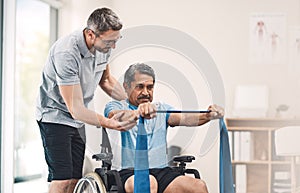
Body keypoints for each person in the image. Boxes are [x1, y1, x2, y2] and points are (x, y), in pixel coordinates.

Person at [36, 8, 137, 193]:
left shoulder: (103, 47)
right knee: (62, 179)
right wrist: (110, 123)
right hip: (55, 116)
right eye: (109, 41)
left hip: (78, 119)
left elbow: (105, 80)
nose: (113, 46)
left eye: (116, 40)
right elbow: (75, 107)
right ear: (90, 34)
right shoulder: (66, 53)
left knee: (75, 179)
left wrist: (133, 101)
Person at [104, 63, 224, 193]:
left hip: (161, 171)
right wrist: (136, 113)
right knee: (149, 184)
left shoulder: (160, 109)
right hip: (129, 172)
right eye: (140, 87)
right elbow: (115, 117)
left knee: (198, 186)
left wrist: (209, 115)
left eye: (150, 87)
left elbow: (186, 118)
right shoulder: (115, 105)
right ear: (126, 87)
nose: (145, 92)